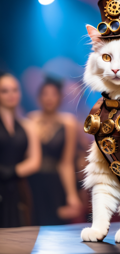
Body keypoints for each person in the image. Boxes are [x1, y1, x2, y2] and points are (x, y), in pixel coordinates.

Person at [27, 77, 82, 226]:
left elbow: (66, 163)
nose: (49, 98)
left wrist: (71, 194)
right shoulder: (31, 120)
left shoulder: (69, 122)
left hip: (56, 182)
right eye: (45, 94)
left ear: (60, 98)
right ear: (39, 97)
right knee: (33, 224)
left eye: (54, 94)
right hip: (33, 180)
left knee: (56, 225)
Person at [0, 72, 41, 227]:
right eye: (4, 90)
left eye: (15, 89)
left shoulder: (27, 125)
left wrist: (11, 172)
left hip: (18, 186)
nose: (11, 94)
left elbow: (35, 161)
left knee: (18, 230)